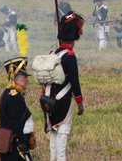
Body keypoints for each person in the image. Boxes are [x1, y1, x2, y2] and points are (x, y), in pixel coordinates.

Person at [42, 12, 84, 161]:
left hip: (48, 101)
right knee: (62, 137)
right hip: (63, 101)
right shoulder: (70, 56)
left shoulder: (52, 53)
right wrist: (80, 103)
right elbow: (75, 82)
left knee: (54, 137)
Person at [0, 57, 35, 161]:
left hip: (9, 142)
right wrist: (21, 141)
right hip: (14, 144)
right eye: (24, 77)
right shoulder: (14, 97)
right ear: (15, 79)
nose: (27, 80)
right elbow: (15, 123)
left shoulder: (8, 93)